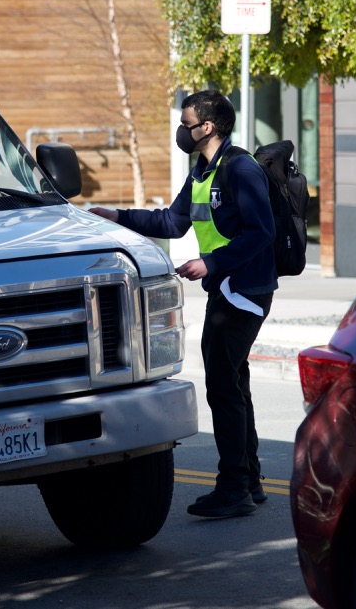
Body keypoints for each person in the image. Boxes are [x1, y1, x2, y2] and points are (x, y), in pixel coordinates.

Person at [90, 90, 276, 518]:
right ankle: (247, 479)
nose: (182, 128)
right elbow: (172, 223)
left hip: (243, 290)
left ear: (207, 127)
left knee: (223, 385)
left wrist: (210, 262)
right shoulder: (203, 171)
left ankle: (235, 488)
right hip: (227, 287)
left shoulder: (240, 169)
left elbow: (261, 231)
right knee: (233, 381)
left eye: (186, 120)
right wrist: (117, 216)